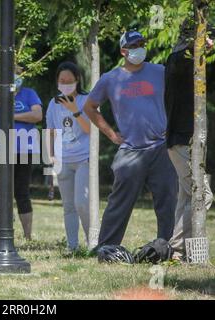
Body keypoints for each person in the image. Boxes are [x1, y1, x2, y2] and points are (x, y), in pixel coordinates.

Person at [83, 31, 178, 248]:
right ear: (123, 51)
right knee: (119, 202)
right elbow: (89, 107)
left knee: (167, 201)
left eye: (142, 43)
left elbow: (179, 96)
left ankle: (167, 246)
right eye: (135, 44)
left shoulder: (159, 71)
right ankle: (107, 247)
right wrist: (111, 134)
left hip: (161, 148)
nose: (140, 48)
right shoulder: (110, 79)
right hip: (130, 151)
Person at [165, 20, 214, 260]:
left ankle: (184, 254)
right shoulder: (180, 59)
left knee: (186, 197)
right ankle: (176, 248)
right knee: (201, 195)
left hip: (189, 140)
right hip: (182, 140)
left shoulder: (185, 58)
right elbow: (186, 63)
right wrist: (203, 47)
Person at [0, 66, 43, 240]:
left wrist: (11, 116)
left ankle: (27, 236)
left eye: (18, 72)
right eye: (11, 70)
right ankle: (3, 232)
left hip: (24, 148)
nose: (15, 75)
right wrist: (1, 86)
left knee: (22, 192)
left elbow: (37, 115)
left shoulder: (29, 93)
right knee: (2, 191)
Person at [46, 61, 91, 252]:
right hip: (63, 160)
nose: (65, 84)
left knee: (82, 203)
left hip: (84, 159)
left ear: (77, 80)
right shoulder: (53, 103)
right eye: (61, 81)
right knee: (68, 207)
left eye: (69, 81)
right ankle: (72, 247)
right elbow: (50, 132)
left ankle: (94, 243)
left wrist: (75, 111)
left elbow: (90, 129)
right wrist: (51, 159)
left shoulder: (86, 100)